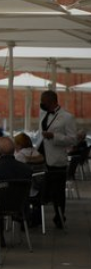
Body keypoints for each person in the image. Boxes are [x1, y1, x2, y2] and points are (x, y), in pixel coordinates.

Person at [38, 90, 76, 229]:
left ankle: (60, 216)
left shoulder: (67, 117)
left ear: (51, 101)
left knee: (58, 192)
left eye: (43, 100)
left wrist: (54, 136)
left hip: (57, 159)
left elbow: (73, 139)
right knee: (41, 187)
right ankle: (37, 216)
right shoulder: (43, 115)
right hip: (42, 157)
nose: (41, 103)